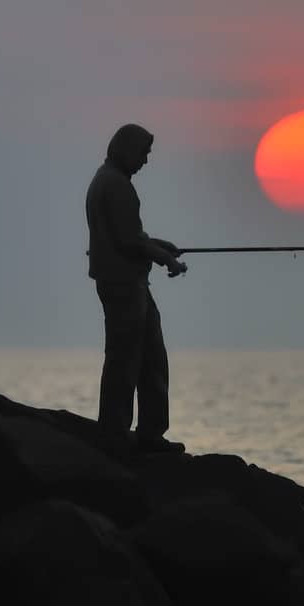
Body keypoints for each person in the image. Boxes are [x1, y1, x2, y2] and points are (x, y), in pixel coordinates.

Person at [86, 123, 189, 455]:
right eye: (144, 153)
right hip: (124, 285)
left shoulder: (106, 181)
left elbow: (129, 236)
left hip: (126, 283)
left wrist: (160, 246)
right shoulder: (116, 186)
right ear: (127, 149)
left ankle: (143, 433)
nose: (145, 161)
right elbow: (130, 241)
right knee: (129, 360)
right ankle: (121, 434)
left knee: (147, 359)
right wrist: (168, 260)